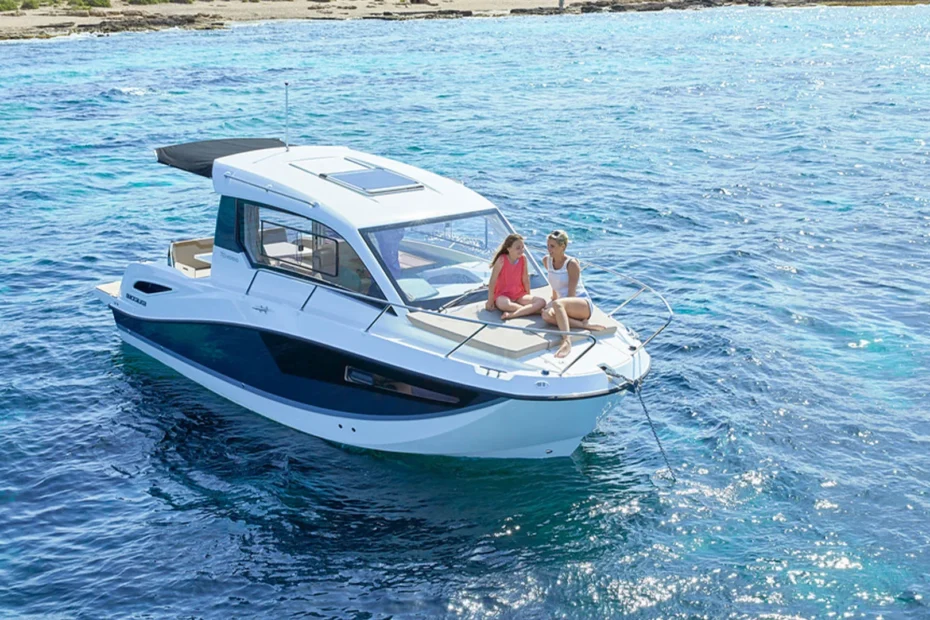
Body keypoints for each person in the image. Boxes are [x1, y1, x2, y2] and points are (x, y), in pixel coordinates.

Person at [542, 230, 605, 358]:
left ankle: (567, 341)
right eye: (548, 245)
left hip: (581, 303)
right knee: (546, 315)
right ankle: (584, 325)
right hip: (562, 303)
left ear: (563, 247)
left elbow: (571, 294)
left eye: (552, 246)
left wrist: (556, 305)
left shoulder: (571, 264)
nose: (549, 249)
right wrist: (553, 301)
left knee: (557, 305)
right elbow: (554, 285)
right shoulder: (546, 260)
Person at [486, 233, 546, 320]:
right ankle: (533, 311)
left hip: (519, 294)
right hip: (502, 295)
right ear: (509, 249)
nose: (521, 250)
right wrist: (490, 301)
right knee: (504, 304)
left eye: (522, 247)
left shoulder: (523, 258)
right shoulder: (502, 260)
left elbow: (525, 279)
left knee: (542, 302)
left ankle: (512, 314)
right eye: (518, 248)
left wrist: (528, 295)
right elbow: (492, 281)